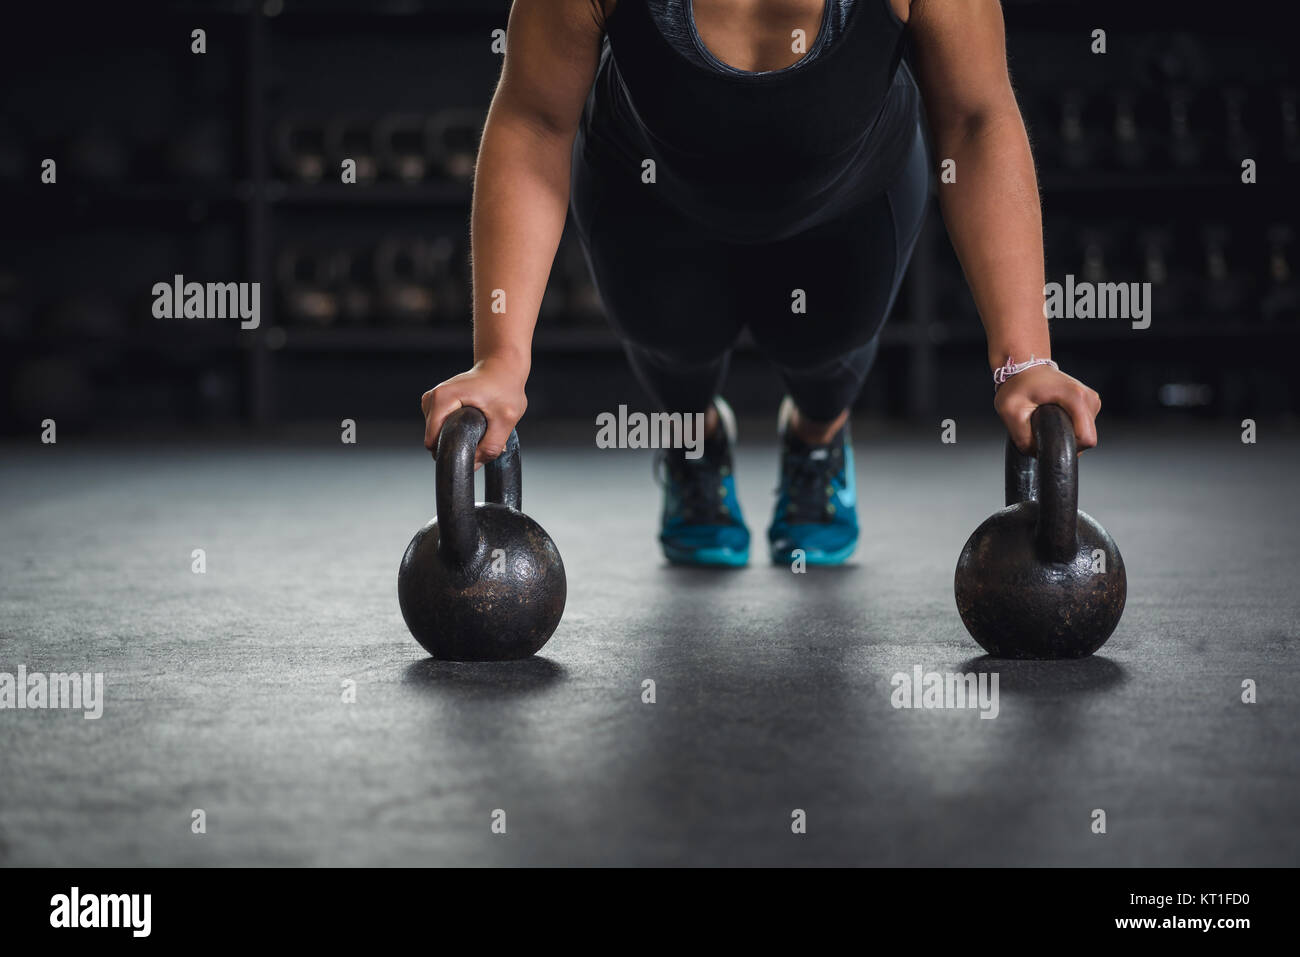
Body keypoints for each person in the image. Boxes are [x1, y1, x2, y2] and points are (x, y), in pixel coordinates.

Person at [421, 0, 1103, 567]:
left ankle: (816, 441)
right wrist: (502, 361)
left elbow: (977, 119)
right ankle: (697, 445)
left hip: (852, 199)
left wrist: (1026, 357)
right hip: (650, 194)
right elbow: (535, 120)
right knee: (672, 342)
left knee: (823, 349)